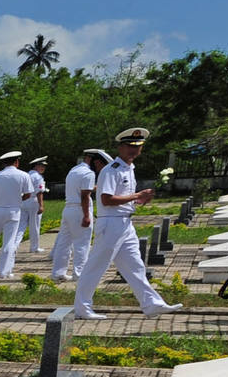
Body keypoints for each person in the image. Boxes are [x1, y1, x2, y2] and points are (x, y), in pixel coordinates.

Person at [73, 127, 178, 322]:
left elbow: (122, 198)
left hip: (125, 223)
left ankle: (151, 303)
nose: (133, 150)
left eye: (137, 147)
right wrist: (137, 195)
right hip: (111, 224)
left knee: (135, 265)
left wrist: (138, 201)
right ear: (120, 147)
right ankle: (82, 307)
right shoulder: (112, 169)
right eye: (129, 146)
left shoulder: (129, 169)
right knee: (97, 266)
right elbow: (106, 199)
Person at [51, 149, 107, 284]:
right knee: (82, 243)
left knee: (64, 244)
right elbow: (84, 196)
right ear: (93, 160)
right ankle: (80, 273)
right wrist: (87, 215)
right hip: (80, 210)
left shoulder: (74, 170)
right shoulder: (89, 173)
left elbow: (80, 190)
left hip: (68, 208)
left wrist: (94, 187)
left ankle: (58, 273)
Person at [0, 151, 33, 280]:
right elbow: (28, 194)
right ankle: (4, 271)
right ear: (17, 162)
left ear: (4, 163)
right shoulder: (23, 175)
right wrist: (18, 199)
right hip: (14, 210)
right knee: (9, 241)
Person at [24, 157, 49, 253]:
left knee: (21, 226)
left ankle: (15, 245)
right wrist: (41, 205)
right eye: (41, 166)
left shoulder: (26, 175)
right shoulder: (38, 177)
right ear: (36, 166)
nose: (43, 168)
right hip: (33, 201)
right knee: (35, 225)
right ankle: (34, 247)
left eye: (44, 166)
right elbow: (39, 192)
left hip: (23, 201)